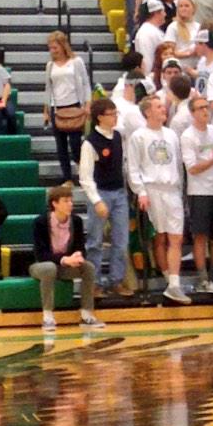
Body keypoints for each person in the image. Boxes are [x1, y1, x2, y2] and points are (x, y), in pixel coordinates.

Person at [127, 95, 190, 304]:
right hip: (152, 189)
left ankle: (174, 284)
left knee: (176, 238)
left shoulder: (171, 135)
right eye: (159, 106)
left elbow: (178, 166)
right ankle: (167, 279)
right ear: (147, 112)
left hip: (172, 190)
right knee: (159, 238)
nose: (164, 109)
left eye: (163, 106)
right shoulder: (138, 136)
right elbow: (133, 167)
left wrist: (181, 190)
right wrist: (141, 192)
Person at [78, 97, 133, 299]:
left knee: (121, 240)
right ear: (100, 117)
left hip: (119, 194)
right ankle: (94, 283)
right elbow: (85, 177)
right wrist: (97, 200)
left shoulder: (118, 137)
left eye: (116, 113)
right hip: (100, 193)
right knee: (95, 242)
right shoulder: (90, 143)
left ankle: (116, 281)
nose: (115, 117)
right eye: (112, 114)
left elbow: (123, 166)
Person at [30, 185, 104, 332]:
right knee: (49, 268)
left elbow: (80, 247)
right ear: (54, 204)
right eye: (66, 201)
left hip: (65, 267)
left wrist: (78, 256)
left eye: (71, 200)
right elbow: (41, 254)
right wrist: (65, 260)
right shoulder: (40, 222)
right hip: (41, 266)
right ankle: (48, 316)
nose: (70, 204)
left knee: (88, 267)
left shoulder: (76, 221)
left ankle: (86, 313)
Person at [181, 96, 213, 293]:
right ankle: (202, 278)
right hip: (198, 192)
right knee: (200, 236)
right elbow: (191, 167)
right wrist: (212, 161)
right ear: (192, 113)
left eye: (206, 108)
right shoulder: (188, 136)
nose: (205, 111)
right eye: (200, 108)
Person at [43, 30, 91, 185]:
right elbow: (48, 88)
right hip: (57, 107)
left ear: (63, 46)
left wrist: (87, 103)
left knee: (76, 143)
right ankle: (67, 177)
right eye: (50, 48)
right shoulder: (50, 65)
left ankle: (83, 172)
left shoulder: (76, 62)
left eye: (55, 47)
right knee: (61, 145)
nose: (53, 51)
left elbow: (85, 83)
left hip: (75, 105)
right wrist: (46, 109)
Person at [0, 56, 17, 134]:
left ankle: (12, 138)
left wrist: (3, 101)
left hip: (3, 99)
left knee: (11, 114)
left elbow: (7, 85)